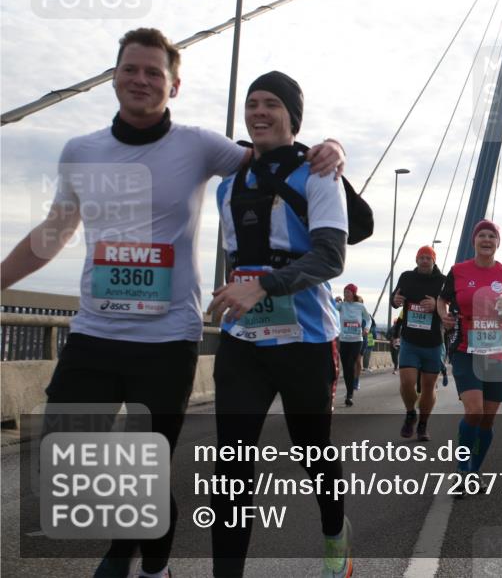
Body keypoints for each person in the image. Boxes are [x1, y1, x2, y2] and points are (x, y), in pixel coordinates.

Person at [0, 29, 345, 578]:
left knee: (292, 458)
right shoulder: (80, 151)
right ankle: (149, 549)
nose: (140, 80)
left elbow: (282, 159)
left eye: (153, 73)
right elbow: (53, 232)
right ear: (114, 76)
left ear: (174, 85)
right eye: (130, 69)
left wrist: (333, 147)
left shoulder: (201, 146)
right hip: (97, 330)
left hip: (172, 337)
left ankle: (138, 556)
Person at [208, 70, 351, 578]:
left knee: (313, 456)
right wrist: (234, 291)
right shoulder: (228, 183)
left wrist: (262, 286)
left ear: (292, 117)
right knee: (231, 470)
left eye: (271, 103)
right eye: (252, 103)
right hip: (243, 343)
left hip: (306, 341)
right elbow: (237, 258)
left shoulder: (318, 175)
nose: (259, 112)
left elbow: (331, 257)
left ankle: (335, 535)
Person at [437, 219, 502, 495]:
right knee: (473, 411)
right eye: (482, 236)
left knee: (487, 419)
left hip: (497, 354)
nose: (486, 240)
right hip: (465, 350)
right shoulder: (458, 271)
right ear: (474, 241)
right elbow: (443, 299)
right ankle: (462, 471)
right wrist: (443, 315)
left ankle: (474, 471)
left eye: (492, 236)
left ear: (498, 243)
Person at [391, 245, 447, 441]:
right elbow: (395, 298)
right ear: (416, 260)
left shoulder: (442, 281)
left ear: (434, 261)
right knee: (407, 382)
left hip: (433, 343)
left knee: (428, 387)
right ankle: (410, 414)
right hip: (410, 341)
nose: (424, 261)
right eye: (421, 257)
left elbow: (451, 305)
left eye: (428, 258)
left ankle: (423, 424)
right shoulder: (406, 277)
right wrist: (395, 300)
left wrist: (437, 305)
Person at [337, 284, 370, 406]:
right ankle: (349, 391)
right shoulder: (341, 306)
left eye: (348, 292)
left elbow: (368, 319)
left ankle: (349, 395)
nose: (346, 294)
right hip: (344, 340)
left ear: (353, 293)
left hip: (356, 340)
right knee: (346, 368)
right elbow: (329, 308)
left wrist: (366, 328)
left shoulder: (360, 306)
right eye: (344, 292)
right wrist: (334, 300)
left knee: (351, 365)